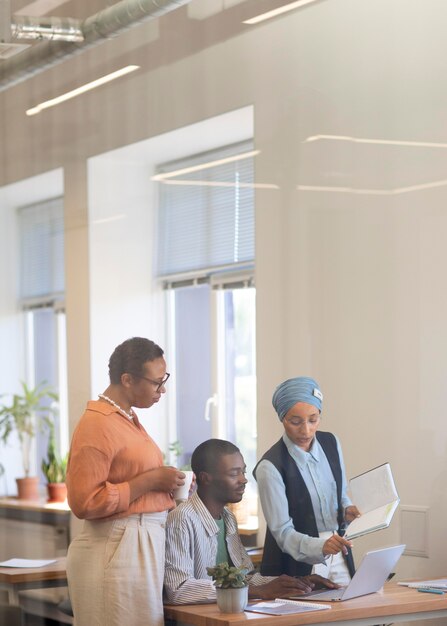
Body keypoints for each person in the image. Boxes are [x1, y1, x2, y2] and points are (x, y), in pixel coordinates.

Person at [66, 337, 186, 626]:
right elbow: (84, 502)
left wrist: (164, 486)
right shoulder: (98, 423)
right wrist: (150, 481)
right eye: (157, 382)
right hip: (117, 546)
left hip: (137, 543)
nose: (163, 389)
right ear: (127, 379)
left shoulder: (125, 418)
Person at [164, 438, 338, 605]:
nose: (244, 479)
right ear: (205, 478)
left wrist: (297, 583)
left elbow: (244, 577)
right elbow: (179, 589)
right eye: (234, 473)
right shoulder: (182, 518)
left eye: (243, 471)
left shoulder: (228, 518)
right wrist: (257, 592)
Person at [254, 376, 360, 585]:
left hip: (339, 552)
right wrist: (320, 546)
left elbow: (341, 494)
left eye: (313, 419)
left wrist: (346, 510)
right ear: (282, 418)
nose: (306, 430)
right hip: (294, 565)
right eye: (295, 422)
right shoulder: (270, 466)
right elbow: (282, 533)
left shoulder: (331, 443)